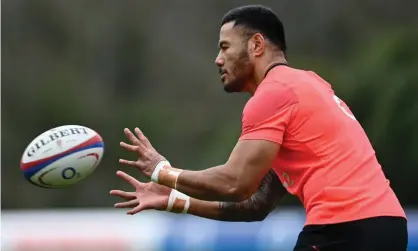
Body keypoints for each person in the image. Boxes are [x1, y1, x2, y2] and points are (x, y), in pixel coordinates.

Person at [110, 5, 408, 251]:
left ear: (256, 45)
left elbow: (235, 183)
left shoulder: (273, 94)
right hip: (388, 227)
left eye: (225, 47)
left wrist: (164, 172)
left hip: (345, 229)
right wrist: (176, 201)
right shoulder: (307, 85)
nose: (218, 59)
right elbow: (257, 205)